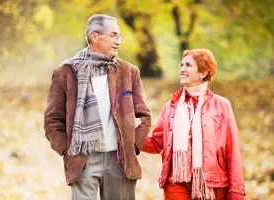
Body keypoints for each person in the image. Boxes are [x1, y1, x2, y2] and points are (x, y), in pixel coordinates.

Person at [44, 14, 151, 200]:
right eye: (113, 35)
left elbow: (144, 116)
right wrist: (66, 150)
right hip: (82, 159)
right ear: (95, 36)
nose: (119, 41)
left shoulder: (129, 72)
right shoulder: (66, 73)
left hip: (120, 160)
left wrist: (132, 145)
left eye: (119, 36)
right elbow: (52, 120)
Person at [141, 49, 245, 200]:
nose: (182, 69)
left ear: (203, 73)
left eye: (188, 65)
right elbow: (156, 144)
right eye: (181, 65)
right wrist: (130, 131)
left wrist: (236, 190)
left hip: (213, 183)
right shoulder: (170, 107)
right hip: (176, 180)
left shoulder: (221, 105)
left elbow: (232, 149)